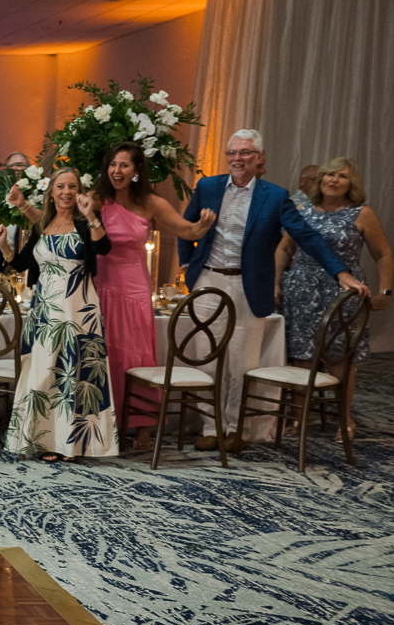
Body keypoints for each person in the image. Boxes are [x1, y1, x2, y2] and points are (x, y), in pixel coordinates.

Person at [179, 129, 368, 452]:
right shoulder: (208, 186)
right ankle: (211, 426)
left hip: (248, 285)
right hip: (208, 281)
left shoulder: (274, 195)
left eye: (245, 153)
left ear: (259, 158)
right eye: (232, 153)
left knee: (241, 361)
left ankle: (235, 428)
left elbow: (307, 236)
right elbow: (185, 228)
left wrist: (341, 273)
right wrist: (186, 267)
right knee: (205, 358)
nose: (237, 159)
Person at [92, 141, 216, 451]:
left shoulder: (151, 202)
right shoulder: (97, 200)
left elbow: (187, 231)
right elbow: (58, 218)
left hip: (134, 288)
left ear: (136, 172)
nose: (117, 171)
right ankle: (107, 424)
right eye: (113, 165)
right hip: (101, 285)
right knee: (103, 357)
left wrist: (201, 226)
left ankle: (144, 428)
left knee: (138, 358)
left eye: (124, 165)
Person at [277, 157, 391, 440]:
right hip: (301, 290)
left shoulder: (362, 213)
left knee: (339, 358)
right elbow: (284, 249)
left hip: (343, 294)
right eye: (329, 175)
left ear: (351, 183)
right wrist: (275, 284)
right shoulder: (302, 210)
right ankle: (298, 417)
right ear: (320, 180)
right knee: (301, 357)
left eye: (341, 176)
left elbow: (384, 254)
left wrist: (385, 292)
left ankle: (344, 418)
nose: (333, 180)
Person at [3, 168, 111, 460]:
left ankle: (74, 444)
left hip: (79, 306)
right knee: (44, 371)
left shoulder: (85, 223)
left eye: (72, 186)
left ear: (79, 191)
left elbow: (104, 246)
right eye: (60, 186)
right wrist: (1, 244)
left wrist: (91, 215)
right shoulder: (43, 224)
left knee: (75, 372)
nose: (66, 192)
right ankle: (46, 440)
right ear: (51, 192)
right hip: (45, 309)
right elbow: (22, 262)